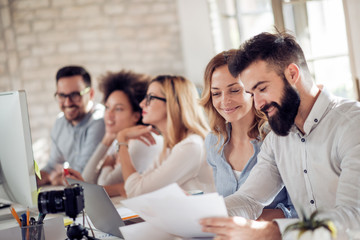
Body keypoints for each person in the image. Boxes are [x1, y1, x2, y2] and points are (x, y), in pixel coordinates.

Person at [200, 31, 360, 239]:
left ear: (292, 74)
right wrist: (198, 218)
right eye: (252, 93)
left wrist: (272, 231)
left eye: (262, 88)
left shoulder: (352, 124)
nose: (257, 104)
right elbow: (249, 199)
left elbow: (354, 217)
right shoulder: (277, 138)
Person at [200, 49, 297, 220]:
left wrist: (247, 219)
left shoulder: (278, 138)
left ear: (252, 90)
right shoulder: (214, 142)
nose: (224, 101)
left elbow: (298, 211)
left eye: (234, 90)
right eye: (216, 93)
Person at [114, 75, 215, 198]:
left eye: (150, 97)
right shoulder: (170, 146)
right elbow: (140, 184)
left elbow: (136, 191)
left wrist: (122, 140)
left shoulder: (191, 146)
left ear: (172, 103)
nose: (142, 104)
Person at [66, 70, 163, 197]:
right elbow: (88, 179)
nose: (109, 115)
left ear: (136, 115)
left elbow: (104, 182)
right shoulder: (118, 140)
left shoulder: (142, 142)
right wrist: (108, 138)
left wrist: (108, 162)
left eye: (118, 109)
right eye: (107, 107)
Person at [37, 66, 105, 186]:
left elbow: (81, 175)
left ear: (91, 94)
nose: (67, 103)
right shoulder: (60, 122)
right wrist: (33, 181)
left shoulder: (100, 120)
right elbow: (53, 166)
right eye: (62, 96)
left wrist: (57, 179)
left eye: (75, 95)